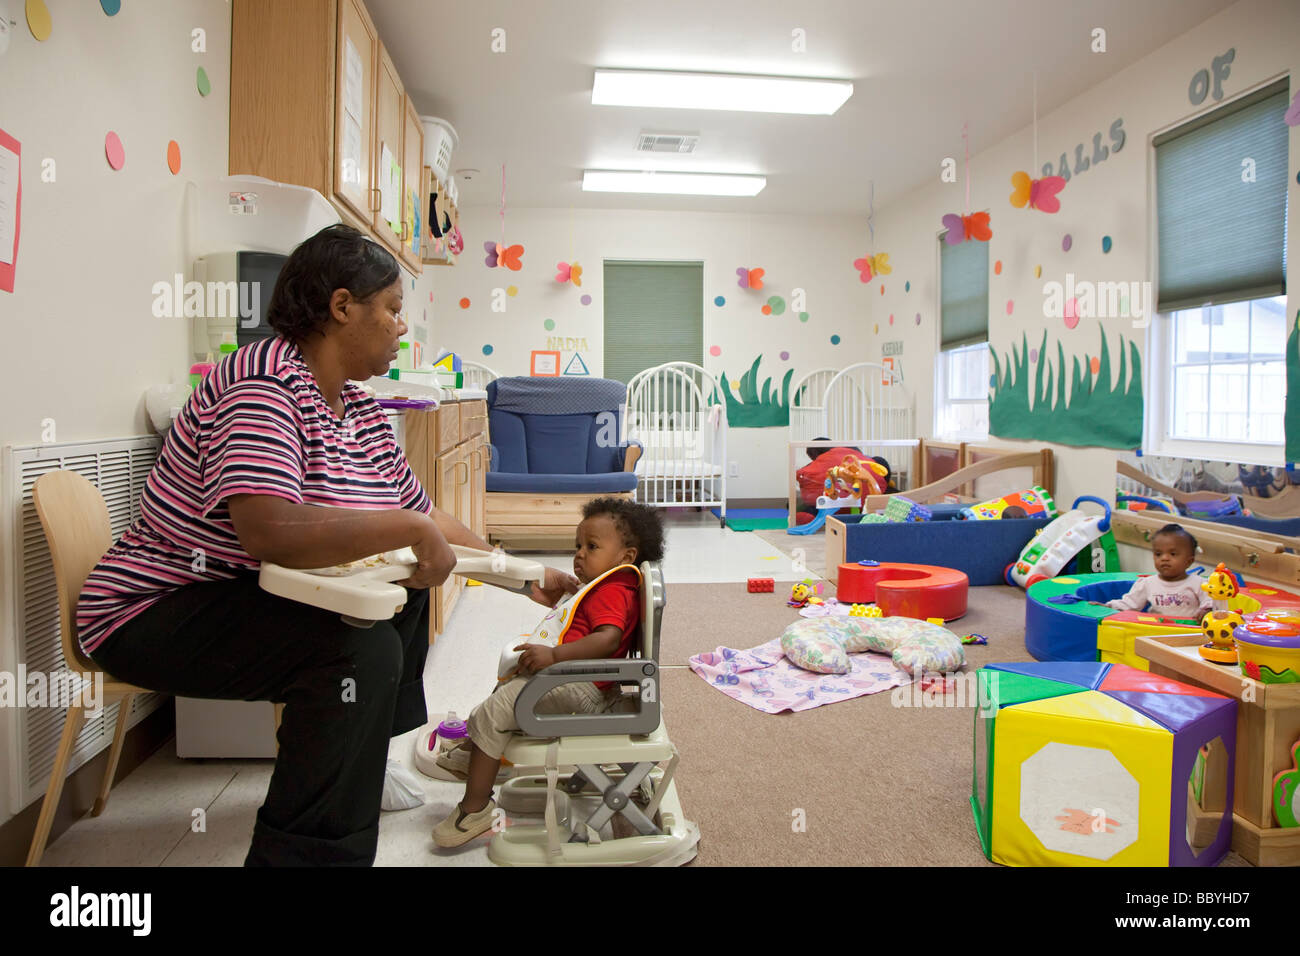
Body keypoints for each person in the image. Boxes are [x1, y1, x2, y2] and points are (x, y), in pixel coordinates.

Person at [76, 224, 577, 866]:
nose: (402, 326)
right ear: (343, 307)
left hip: (247, 590)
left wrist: (518, 571)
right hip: (160, 604)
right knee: (355, 651)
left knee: (407, 587)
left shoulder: (360, 410)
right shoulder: (262, 382)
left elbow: (425, 516)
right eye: (393, 308)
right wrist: (409, 530)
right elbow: (269, 528)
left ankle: (365, 767)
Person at [431, 497, 665, 848]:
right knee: (504, 696)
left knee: (494, 713)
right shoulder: (611, 586)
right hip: (582, 681)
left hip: (580, 687)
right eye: (578, 546)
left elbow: (607, 639)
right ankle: (475, 753)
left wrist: (555, 654)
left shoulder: (611, 591)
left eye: (592, 546)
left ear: (626, 557)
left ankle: (474, 809)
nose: (579, 554)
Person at [1095, 524, 1210, 622]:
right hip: (1155, 631)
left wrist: (1205, 610)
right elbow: (1129, 604)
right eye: (1158, 554)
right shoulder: (1147, 583)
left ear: (1189, 561)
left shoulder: (1200, 584)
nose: (1164, 558)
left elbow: (1211, 601)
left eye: (1173, 554)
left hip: (1186, 632)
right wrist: (1107, 607)